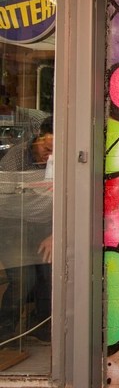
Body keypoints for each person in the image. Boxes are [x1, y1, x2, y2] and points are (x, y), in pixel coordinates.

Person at [0, 115, 53, 342]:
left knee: (50, 276)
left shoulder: (62, 158)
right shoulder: (16, 157)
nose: (49, 155)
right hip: (13, 222)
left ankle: (42, 327)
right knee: (23, 278)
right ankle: (5, 332)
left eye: (54, 151)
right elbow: (3, 196)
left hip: (47, 224)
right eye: (46, 148)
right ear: (37, 137)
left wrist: (55, 232)